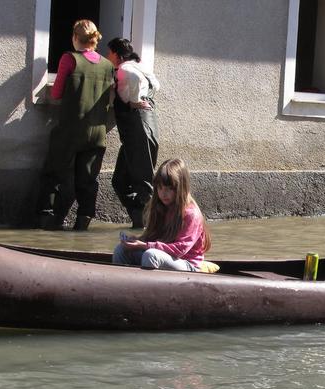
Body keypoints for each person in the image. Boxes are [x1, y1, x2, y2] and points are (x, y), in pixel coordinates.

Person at [37, 19, 114, 231]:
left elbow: (56, 92)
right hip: (97, 132)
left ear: (74, 37)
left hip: (70, 130)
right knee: (88, 180)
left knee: (54, 174)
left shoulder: (69, 59)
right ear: (95, 39)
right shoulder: (108, 66)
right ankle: (83, 222)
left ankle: (47, 220)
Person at [112, 158, 211, 272]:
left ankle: (148, 289)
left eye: (169, 189)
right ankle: (123, 287)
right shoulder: (160, 208)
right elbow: (153, 237)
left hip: (188, 264)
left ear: (181, 188)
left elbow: (180, 249)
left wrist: (144, 245)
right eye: (160, 188)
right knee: (121, 249)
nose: (163, 194)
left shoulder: (191, 214)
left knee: (151, 255)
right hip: (163, 256)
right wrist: (138, 240)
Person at [106, 37, 161, 228]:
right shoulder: (140, 66)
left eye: (109, 52)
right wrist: (143, 99)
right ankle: (140, 220)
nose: (107, 56)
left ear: (116, 54)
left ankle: (153, 226)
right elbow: (156, 85)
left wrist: (133, 101)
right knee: (119, 181)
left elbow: (132, 85)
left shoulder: (125, 69)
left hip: (138, 128)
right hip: (146, 127)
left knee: (143, 184)